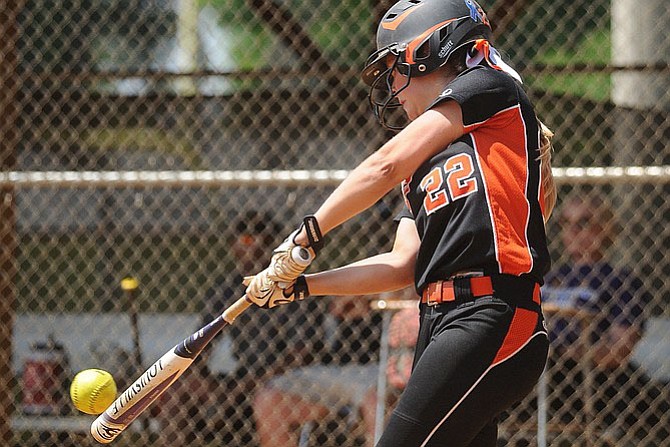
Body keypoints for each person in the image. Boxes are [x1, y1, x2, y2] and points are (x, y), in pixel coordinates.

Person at [244, 0, 557, 446]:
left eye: (396, 65)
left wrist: (305, 236)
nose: (393, 84)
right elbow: (400, 265)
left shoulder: (490, 88)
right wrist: (301, 284)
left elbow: (382, 167)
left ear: (432, 49)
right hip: (440, 322)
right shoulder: (421, 166)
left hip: (490, 315)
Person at [541, 193, 665, 445]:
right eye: (565, 223)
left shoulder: (621, 281)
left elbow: (618, 351)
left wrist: (565, 353)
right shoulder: (548, 278)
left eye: (584, 222)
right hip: (540, 374)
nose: (573, 231)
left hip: (589, 379)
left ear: (605, 228)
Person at [253, 290, 418, 447]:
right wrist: (351, 294)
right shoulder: (324, 282)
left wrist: (370, 295)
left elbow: (413, 291)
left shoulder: (409, 269)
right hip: (330, 368)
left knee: (375, 400)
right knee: (268, 398)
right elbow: (335, 308)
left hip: (377, 366)